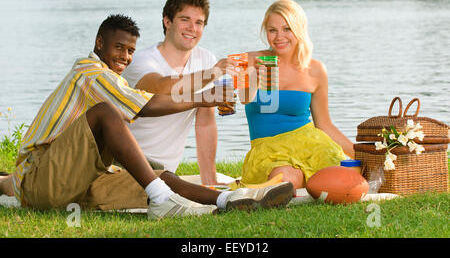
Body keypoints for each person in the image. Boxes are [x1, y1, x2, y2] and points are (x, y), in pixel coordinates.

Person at [0, 14, 294, 219]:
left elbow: (143, 103)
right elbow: (147, 105)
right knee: (105, 113)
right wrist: (202, 98)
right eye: (119, 48)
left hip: (71, 183)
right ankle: (162, 201)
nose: (125, 57)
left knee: (155, 176)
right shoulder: (89, 73)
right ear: (99, 43)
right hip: (44, 181)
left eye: (130, 51)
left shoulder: (112, 79)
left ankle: (226, 200)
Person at [238, 0, 355, 191]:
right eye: (272, 30)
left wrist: (362, 154)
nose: (279, 37)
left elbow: (325, 125)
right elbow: (243, 98)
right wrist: (253, 78)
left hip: (310, 143)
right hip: (269, 149)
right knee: (286, 178)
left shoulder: (316, 70)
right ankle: (275, 191)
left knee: (346, 178)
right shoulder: (250, 61)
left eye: (287, 29)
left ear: (299, 29)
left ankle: (318, 184)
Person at [122, 0, 236, 185]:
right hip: (125, 163)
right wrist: (212, 73)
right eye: (185, 20)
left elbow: (205, 124)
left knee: (203, 194)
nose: (192, 28)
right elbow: (161, 87)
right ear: (167, 22)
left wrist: (210, 182)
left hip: (165, 172)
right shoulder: (140, 60)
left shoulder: (205, 60)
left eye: (199, 22)